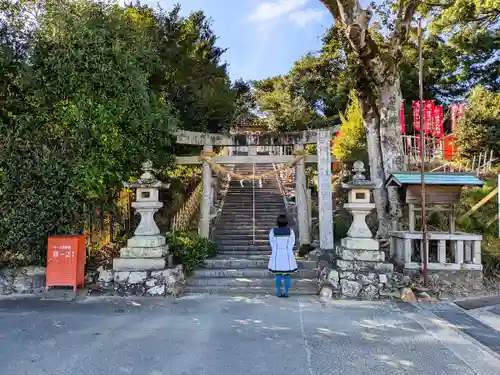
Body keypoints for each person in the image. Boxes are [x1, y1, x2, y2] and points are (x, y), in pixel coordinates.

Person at [268, 214, 297, 298]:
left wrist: (276, 250)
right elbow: (292, 242)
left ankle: (278, 293)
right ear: (286, 222)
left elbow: (272, 243)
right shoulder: (290, 231)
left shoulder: (273, 231)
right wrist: (288, 250)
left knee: (278, 274)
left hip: (277, 254)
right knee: (287, 274)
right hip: (287, 254)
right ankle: (286, 292)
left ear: (277, 222)